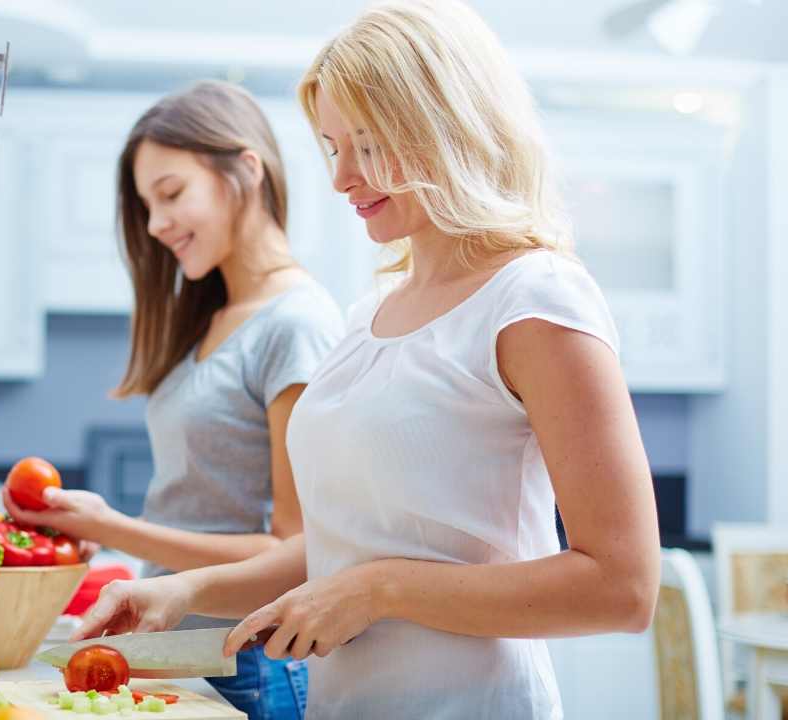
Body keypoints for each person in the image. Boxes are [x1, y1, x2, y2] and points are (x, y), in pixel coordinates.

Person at [67, 2, 662, 718]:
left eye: (369, 144)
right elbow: (339, 549)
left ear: (447, 125)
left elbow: (623, 588)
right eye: (331, 146)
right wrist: (184, 591)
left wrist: (380, 588)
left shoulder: (535, 297)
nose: (342, 177)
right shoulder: (370, 314)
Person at [4, 80, 345, 720]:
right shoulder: (216, 316)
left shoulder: (295, 325)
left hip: (244, 656)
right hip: (183, 645)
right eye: (147, 205)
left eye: (171, 194)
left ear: (246, 169)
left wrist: (106, 524)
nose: (157, 225)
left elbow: (293, 548)